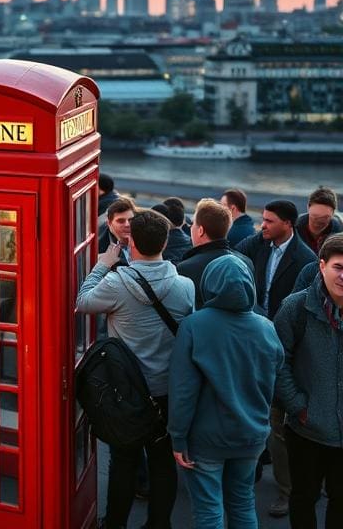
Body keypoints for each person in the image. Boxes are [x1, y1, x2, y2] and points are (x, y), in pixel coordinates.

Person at [76, 209, 195, 529]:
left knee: (123, 463)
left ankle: (115, 523)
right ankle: (159, 524)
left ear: (130, 242)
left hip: (125, 392)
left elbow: (82, 302)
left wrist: (103, 264)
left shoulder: (116, 283)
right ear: (165, 241)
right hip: (167, 391)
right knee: (161, 464)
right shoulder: (185, 286)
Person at [168, 255, 284, 528]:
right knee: (243, 504)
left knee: (209, 512)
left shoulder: (194, 326)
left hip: (206, 438)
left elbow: (183, 390)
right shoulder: (267, 328)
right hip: (251, 436)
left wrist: (178, 438)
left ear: (209, 284)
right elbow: (275, 378)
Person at [235, 198, 317, 517]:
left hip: (283, 341)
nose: (262, 225)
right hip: (255, 333)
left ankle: (286, 491)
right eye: (262, 219)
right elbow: (237, 251)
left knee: (278, 420)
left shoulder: (305, 259)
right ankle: (253, 469)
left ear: (288, 224)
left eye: (269, 221)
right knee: (254, 408)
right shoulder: (260, 243)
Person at [274, 233, 343, 528]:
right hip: (307, 429)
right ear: (322, 265)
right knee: (303, 498)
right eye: (339, 267)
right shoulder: (296, 308)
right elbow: (277, 362)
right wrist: (300, 406)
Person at [176, 198, 252, 310]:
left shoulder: (186, 268)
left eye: (192, 224)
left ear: (200, 230)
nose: (191, 227)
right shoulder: (246, 263)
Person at [295, 186, 343, 255]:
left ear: (333, 213)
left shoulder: (339, 232)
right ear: (308, 208)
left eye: (325, 217)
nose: (318, 222)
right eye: (315, 216)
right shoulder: (293, 229)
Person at [97, 197, 137, 262]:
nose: (127, 224)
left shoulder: (145, 237)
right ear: (109, 223)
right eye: (121, 221)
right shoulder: (99, 249)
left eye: (131, 220)